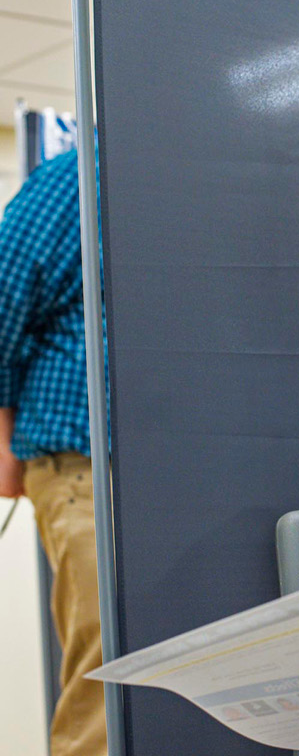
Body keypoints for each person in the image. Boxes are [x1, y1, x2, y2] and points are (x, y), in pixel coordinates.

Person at [0, 148, 107, 756]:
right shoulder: (75, 176)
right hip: (81, 465)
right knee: (104, 677)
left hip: (175, 468)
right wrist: (6, 443)